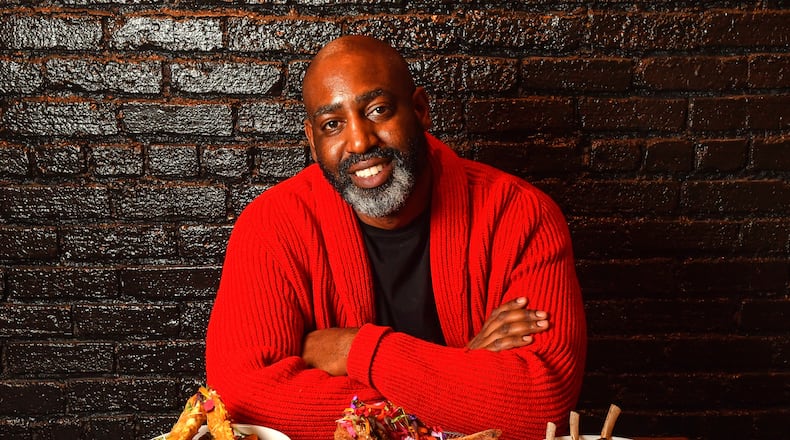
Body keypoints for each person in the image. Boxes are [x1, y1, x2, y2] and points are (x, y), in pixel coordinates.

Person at [205, 35, 586, 440]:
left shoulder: (521, 215)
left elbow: (540, 407)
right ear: (313, 142)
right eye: (332, 124)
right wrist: (462, 374)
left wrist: (353, 349)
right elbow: (241, 398)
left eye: (377, 110)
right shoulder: (271, 227)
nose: (360, 141)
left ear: (419, 110)